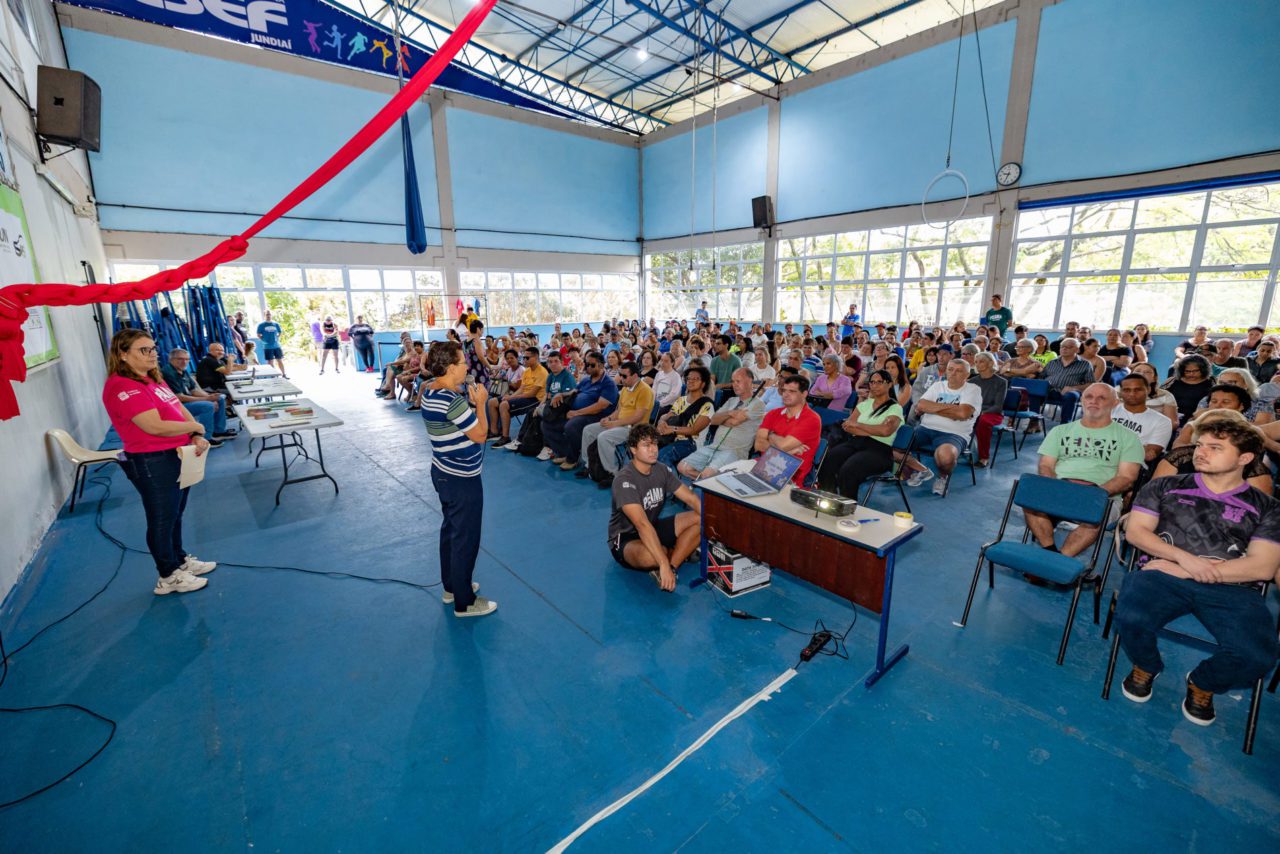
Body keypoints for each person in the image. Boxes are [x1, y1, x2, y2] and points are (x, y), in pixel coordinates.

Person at [1113, 418, 1280, 725]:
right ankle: (1146, 665)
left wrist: (1187, 569)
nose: (1200, 452)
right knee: (1130, 617)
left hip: (1233, 588)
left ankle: (1203, 683)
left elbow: (1263, 566)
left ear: (1245, 458)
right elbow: (1137, 533)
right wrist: (1183, 559)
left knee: (1258, 656)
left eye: (1215, 448)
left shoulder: (1267, 507)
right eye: (1200, 445)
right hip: (1160, 576)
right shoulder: (1164, 486)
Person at [102, 329, 214, 595]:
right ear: (123, 354)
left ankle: (179, 560)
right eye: (144, 350)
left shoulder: (153, 378)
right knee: (162, 518)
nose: (152, 354)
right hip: (152, 461)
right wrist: (194, 425)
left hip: (177, 454)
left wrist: (195, 432)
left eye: (153, 348)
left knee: (175, 513)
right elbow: (153, 426)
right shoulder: (122, 385)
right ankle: (168, 576)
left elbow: (177, 407)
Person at [421, 341, 496, 618]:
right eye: (463, 362)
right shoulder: (451, 401)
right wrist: (481, 404)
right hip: (461, 478)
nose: (467, 365)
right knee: (466, 538)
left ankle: (451, 587)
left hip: (442, 471)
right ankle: (464, 602)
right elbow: (480, 435)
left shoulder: (430, 389)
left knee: (451, 532)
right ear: (451, 368)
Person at [1023, 384, 1142, 560]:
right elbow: (1046, 465)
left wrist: (1094, 494)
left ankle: (1057, 562)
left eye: (1102, 398)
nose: (1094, 401)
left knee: (1094, 518)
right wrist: (1053, 486)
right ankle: (1050, 555)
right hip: (1062, 487)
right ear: (1082, 400)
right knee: (1031, 500)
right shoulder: (1060, 431)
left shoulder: (1129, 438)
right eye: (1089, 396)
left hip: (1102, 494)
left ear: (1115, 403)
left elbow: (1127, 478)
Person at [608, 424, 702, 592]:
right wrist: (662, 561)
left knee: (701, 519)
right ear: (633, 450)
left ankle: (671, 567)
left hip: (653, 527)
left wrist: (718, 523)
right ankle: (672, 554)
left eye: (655, 444)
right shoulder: (624, 480)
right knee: (651, 556)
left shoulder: (661, 470)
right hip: (626, 539)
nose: (653, 450)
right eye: (646, 445)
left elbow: (690, 498)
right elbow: (641, 525)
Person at [817, 369, 903, 499]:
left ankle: (847, 506)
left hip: (879, 449)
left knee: (848, 470)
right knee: (828, 460)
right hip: (855, 442)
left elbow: (885, 431)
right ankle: (829, 499)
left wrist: (858, 425)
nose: (874, 385)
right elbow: (847, 426)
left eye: (879, 382)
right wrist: (871, 429)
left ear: (889, 384)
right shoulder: (865, 404)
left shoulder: (894, 407)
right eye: (872, 382)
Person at [903, 359, 982, 495]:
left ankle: (943, 477)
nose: (953, 373)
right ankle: (922, 470)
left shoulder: (973, 389)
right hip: (925, 429)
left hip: (954, 434)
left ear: (967, 375)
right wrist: (954, 409)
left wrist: (933, 408)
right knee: (894, 445)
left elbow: (963, 413)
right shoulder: (938, 386)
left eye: (959, 371)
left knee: (946, 458)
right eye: (950, 369)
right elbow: (921, 406)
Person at [677, 368, 767, 480]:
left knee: (707, 474)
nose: (734, 385)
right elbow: (713, 419)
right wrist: (730, 413)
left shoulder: (758, 404)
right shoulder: (731, 401)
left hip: (734, 451)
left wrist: (724, 419)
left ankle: (710, 483)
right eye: (733, 381)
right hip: (714, 446)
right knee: (682, 467)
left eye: (738, 381)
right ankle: (711, 482)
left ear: (750, 381)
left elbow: (736, 421)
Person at [578, 360, 655, 485]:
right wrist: (609, 419)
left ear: (635, 376)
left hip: (635, 428)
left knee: (604, 437)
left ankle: (613, 473)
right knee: (588, 430)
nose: (621, 378)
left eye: (624, 376)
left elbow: (638, 417)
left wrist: (615, 424)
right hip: (620, 424)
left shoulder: (645, 391)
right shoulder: (625, 389)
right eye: (620, 375)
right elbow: (619, 410)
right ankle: (589, 466)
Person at [545, 351, 618, 471]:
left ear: (601, 365)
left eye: (592, 365)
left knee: (571, 426)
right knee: (548, 423)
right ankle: (565, 453)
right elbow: (573, 392)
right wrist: (560, 394)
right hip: (576, 412)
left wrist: (576, 413)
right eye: (586, 364)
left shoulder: (608, 383)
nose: (588, 367)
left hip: (597, 416)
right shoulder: (586, 380)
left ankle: (573, 458)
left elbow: (600, 406)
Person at [753, 373, 822, 486]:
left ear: (804, 394)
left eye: (792, 391)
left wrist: (770, 435)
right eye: (784, 390)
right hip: (764, 465)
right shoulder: (773, 413)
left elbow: (783, 446)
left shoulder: (812, 419)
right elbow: (758, 445)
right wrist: (789, 451)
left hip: (792, 476)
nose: (785, 395)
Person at [161, 349, 233, 445]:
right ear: (171, 360)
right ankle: (205, 438)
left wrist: (210, 396)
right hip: (177, 406)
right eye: (180, 359)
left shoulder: (183, 370)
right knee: (207, 406)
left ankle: (219, 431)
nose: (184, 362)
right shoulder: (168, 373)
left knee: (219, 399)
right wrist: (207, 399)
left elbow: (193, 390)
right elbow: (179, 397)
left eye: (187, 359)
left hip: (186, 401)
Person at [656, 365, 716, 467]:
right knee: (642, 446)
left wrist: (671, 429)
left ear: (703, 384)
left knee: (662, 457)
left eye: (695, 379)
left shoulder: (707, 405)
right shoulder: (681, 400)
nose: (690, 381)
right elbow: (670, 417)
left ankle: (670, 482)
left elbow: (694, 430)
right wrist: (661, 421)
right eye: (688, 378)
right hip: (671, 437)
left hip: (690, 443)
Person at [1111, 374, 1173, 466]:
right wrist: (1138, 447)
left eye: (1138, 389)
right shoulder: (1108, 410)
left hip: (1130, 467)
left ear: (1148, 390)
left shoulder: (1163, 421)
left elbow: (1150, 454)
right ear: (1121, 392)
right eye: (1127, 390)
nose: (1132, 394)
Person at [492, 347, 547, 449]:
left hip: (535, 400)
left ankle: (505, 437)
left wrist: (512, 398)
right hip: (524, 396)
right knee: (492, 402)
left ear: (535, 357)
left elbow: (532, 394)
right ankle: (494, 432)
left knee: (504, 405)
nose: (524, 360)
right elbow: (522, 388)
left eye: (527, 358)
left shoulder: (542, 372)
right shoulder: (527, 371)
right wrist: (511, 397)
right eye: (524, 357)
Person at [968, 353, 1008, 468]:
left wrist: (981, 412)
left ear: (991, 363)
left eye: (981, 361)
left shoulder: (1001, 382)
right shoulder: (972, 381)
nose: (978, 364)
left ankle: (983, 457)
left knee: (983, 421)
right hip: (975, 411)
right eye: (976, 362)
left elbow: (998, 406)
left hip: (992, 413)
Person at [1042, 338, 1093, 423]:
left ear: (1077, 349)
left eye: (1069, 347)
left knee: (1071, 395)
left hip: (1072, 392)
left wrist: (1073, 388)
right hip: (1051, 391)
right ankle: (1034, 422)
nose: (1064, 349)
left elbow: (1090, 383)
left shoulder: (1085, 364)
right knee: (1034, 393)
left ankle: (1065, 424)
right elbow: (1042, 377)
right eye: (1062, 347)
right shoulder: (1052, 362)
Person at [1163, 354, 1213, 424]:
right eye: (1187, 371)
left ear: (1203, 369)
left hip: (1196, 421)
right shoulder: (1172, 381)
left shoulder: (1211, 384)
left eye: (1195, 371)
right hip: (1170, 419)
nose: (1191, 374)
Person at [709, 334, 742, 406]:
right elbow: (712, 379)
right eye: (715, 343)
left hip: (731, 392)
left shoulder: (736, 360)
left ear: (726, 345)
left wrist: (722, 385)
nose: (715, 345)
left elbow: (738, 382)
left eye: (718, 344)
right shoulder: (714, 360)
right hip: (717, 391)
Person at [256, 310, 287, 377]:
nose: (268, 316)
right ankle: (274, 376)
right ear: (264, 315)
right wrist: (264, 340)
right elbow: (258, 335)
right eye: (267, 314)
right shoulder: (261, 325)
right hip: (267, 347)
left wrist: (276, 338)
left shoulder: (276, 324)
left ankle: (284, 374)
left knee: (280, 360)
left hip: (276, 346)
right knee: (270, 361)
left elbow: (280, 332)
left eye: (269, 314)